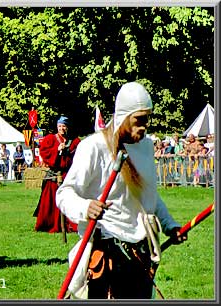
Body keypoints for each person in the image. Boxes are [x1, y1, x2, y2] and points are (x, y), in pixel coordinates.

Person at [56, 81, 187, 299]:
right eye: (139, 120)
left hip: (140, 251)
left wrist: (170, 225)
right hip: (107, 250)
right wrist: (86, 207)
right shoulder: (93, 147)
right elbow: (64, 193)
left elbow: (148, 196)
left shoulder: (146, 146)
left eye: (147, 119)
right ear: (124, 116)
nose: (144, 126)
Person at [33, 116, 80, 233]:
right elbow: (44, 153)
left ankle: (69, 224)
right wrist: (57, 150)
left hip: (67, 176)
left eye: (64, 126)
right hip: (53, 175)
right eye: (59, 126)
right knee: (50, 202)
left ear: (67, 127)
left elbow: (78, 156)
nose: (62, 129)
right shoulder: (50, 139)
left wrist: (67, 152)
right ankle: (49, 224)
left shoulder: (74, 141)